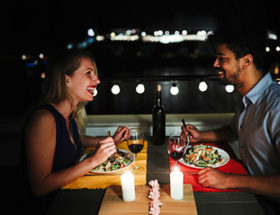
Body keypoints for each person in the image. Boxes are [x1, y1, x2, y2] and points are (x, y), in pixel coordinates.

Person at [181, 27, 280, 215]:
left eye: (222, 58)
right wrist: (201, 136)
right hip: (249, 191)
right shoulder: (245, 95)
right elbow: (235, 130)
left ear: (246, 61)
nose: (215, 63)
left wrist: (227, 180)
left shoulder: (276, 107)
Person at [19, 49, 129, 214]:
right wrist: (93, 161)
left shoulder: (68, 116)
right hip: (52, 207)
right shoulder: (43, 119)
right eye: (88, 73)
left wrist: (109, 141)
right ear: (67, 80)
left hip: (70, 195)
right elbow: (39, 187)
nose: (97, 80)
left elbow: (74, 140)